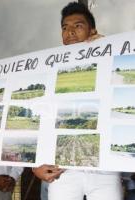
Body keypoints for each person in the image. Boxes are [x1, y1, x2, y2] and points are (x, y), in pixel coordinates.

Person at [32, 2, 122, 200]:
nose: (70, 32)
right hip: (62, 170)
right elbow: (38, 117)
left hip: (104, 170)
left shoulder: (114, 60)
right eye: (65, 28)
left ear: (93, 30)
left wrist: (110, 49)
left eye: (78, 26)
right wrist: (34, 166)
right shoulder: (49, 70)